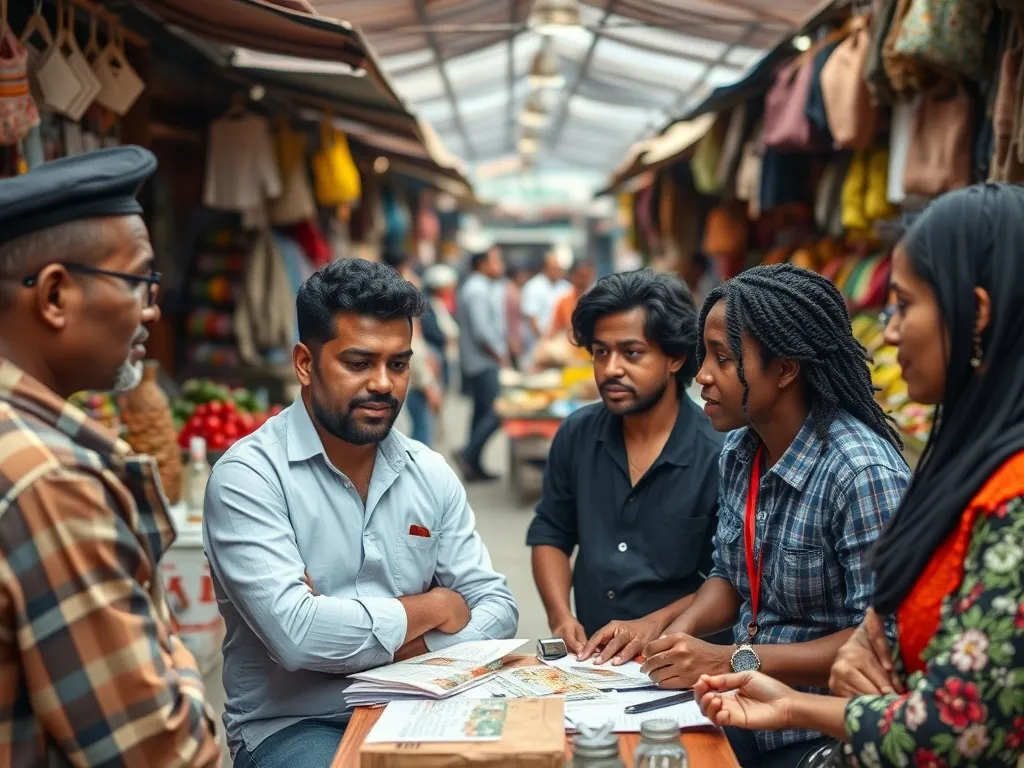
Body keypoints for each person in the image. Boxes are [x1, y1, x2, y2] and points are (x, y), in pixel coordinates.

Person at [693, 185, 1024, 768]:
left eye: (904, 305)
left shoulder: (1004, 497)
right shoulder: (972, 465)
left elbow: (949, 723)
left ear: (975, 314)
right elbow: (879, 644)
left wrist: (778, 687)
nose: (889, 331)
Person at [203, 258, 518, 768]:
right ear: (305, 363)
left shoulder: (428, 470)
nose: (383, 384)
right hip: (297, 727)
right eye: (358, 363)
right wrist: (436, 607)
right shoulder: (250, 477)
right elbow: (298, 637)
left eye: (398, 364)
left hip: (426, 705)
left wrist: (359, 640)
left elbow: (498, 607)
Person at [0, 148, 221, 766]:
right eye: (139, 281)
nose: (152, 308)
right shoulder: (51, 479)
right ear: (54, 295)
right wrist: (174, 648)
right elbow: (160, 750)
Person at [640, 265, 911, 767]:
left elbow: (881, 640)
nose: (701, 375)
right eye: (705, 356)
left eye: (723, 359)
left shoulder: (861, 473)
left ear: (785, 370)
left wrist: (731, 659)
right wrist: (678, 638)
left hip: (821, 734)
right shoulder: (740, 450)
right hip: (740, 713)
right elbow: (729, 576)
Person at [527, 269, 725, 661]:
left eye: (631, 353)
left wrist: (654, 622)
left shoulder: (720, 453)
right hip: (592, 661)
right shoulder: (577, 434)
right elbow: (551, 532)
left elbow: (732, 579)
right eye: (601, 352)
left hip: (686, 664)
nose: (611, 369)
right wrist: (560, 616)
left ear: (675, 358)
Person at [454, 247, 508, 481]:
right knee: (496, 412)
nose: (500, 265)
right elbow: (482, 331)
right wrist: (499, 355)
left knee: (480, 413)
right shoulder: (476, 290)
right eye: (496, 260)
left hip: (479, 361)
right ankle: (467, 454)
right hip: (483, 362)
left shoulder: (480, 287)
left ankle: (474, 465)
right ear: (483, 264)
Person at [382, 248, 442, 446]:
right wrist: (429, 386)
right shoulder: (402, 310)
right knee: (421, 431)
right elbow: (414, 349)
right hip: (416, 381)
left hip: (415, 377)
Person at [520, 247, 569, 364]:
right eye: (554, 267)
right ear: (545, 268)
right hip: (537, 344)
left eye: (558, 267)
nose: (557, 270)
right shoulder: (533, 287)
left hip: (561, 346)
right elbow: (532, 317)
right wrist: (545, 340)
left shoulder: (565, 286)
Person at [545, 258, 597, 342]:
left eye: (587, 275)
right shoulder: (564, 301)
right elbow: (554, 330)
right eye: (581, 275)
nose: (584, 279)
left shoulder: (600, 300)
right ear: (573, 275)